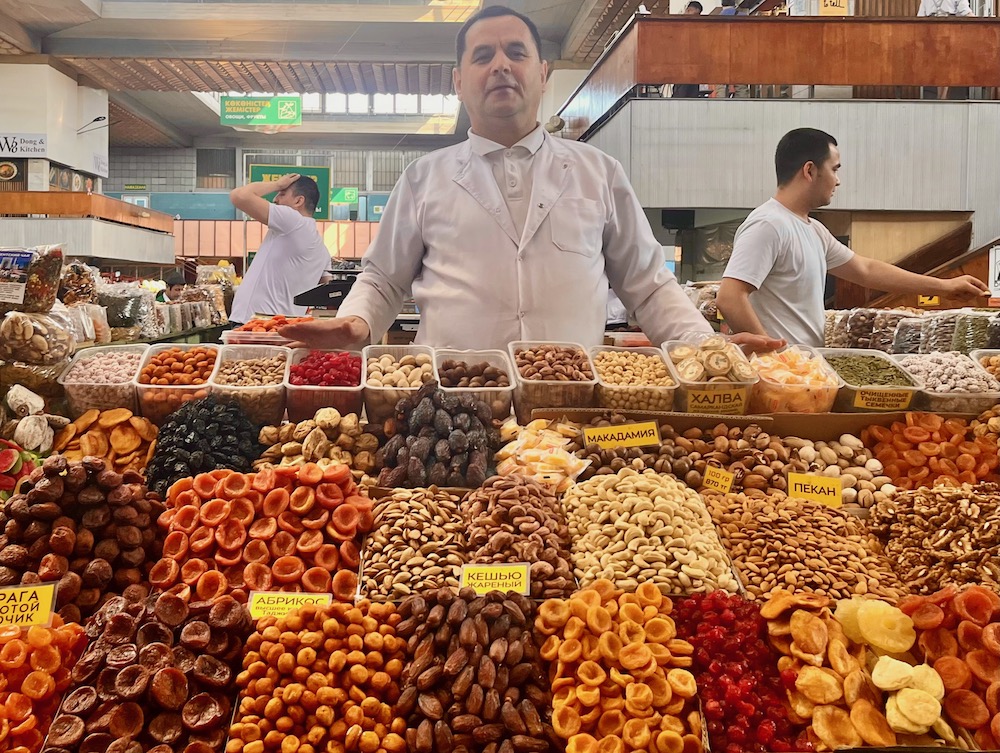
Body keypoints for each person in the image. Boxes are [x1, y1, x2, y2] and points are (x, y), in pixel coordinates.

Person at [281, 6, 782, 355]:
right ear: (458, 82)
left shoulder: (598, 173)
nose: (500, 65)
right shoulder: (423, 178)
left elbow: (648, 286)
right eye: (482, 57)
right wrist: (357, 320)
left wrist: (703, 346)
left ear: (542, 73)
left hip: (569, 398)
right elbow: (384, 278)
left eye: (515, 53)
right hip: (452, 409)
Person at [716, 128, 988, 347]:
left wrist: (945, 286)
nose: (838, 180)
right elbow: (729, 297)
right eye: (835, 169)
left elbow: (866, 270)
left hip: (804, 370)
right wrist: (772, 354)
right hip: (781, 376)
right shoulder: (769, 224)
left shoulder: (813, 230)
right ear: (810, 171)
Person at [228, 173, 331, 326]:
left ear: (298, 201)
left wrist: (277, 184)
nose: (275, 199)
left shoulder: (293, 221)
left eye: (282, 194)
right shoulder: (322, 251)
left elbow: (239, 196)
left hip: (256, 325)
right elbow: (328, 287)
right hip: (283, 326)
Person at [714, 0, 749, 99]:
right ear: (734, 4)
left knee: (721, 86)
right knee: (741, 86)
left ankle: (721, 108)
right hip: (739, 54)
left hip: (721, 55)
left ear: (722, 5)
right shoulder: (744, 17)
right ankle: (741, 108)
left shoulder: (715, 19)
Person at [672, 2, 705, 99]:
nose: (696, 18)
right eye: (695, 14)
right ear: (688, 10)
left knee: (693, 96)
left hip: (695, 68)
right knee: (681, 95)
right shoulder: (678, 25)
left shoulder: (699, 27)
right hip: (682, 67)